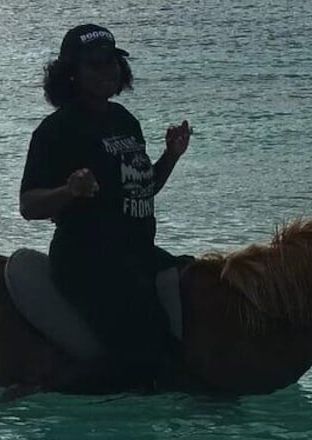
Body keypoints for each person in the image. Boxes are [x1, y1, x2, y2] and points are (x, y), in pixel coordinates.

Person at [19, 24, 191, 390]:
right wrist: (69, 190)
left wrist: (171, 157)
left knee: (199, 285)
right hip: (88, 261)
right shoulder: (57, 130)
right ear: (71, 75)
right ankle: (49, 387)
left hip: (136, 253)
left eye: (112, 62)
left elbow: (141, 189)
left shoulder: (124, 120)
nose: (107, 71)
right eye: (95, 64)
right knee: (143, 355)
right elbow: (28, 204)